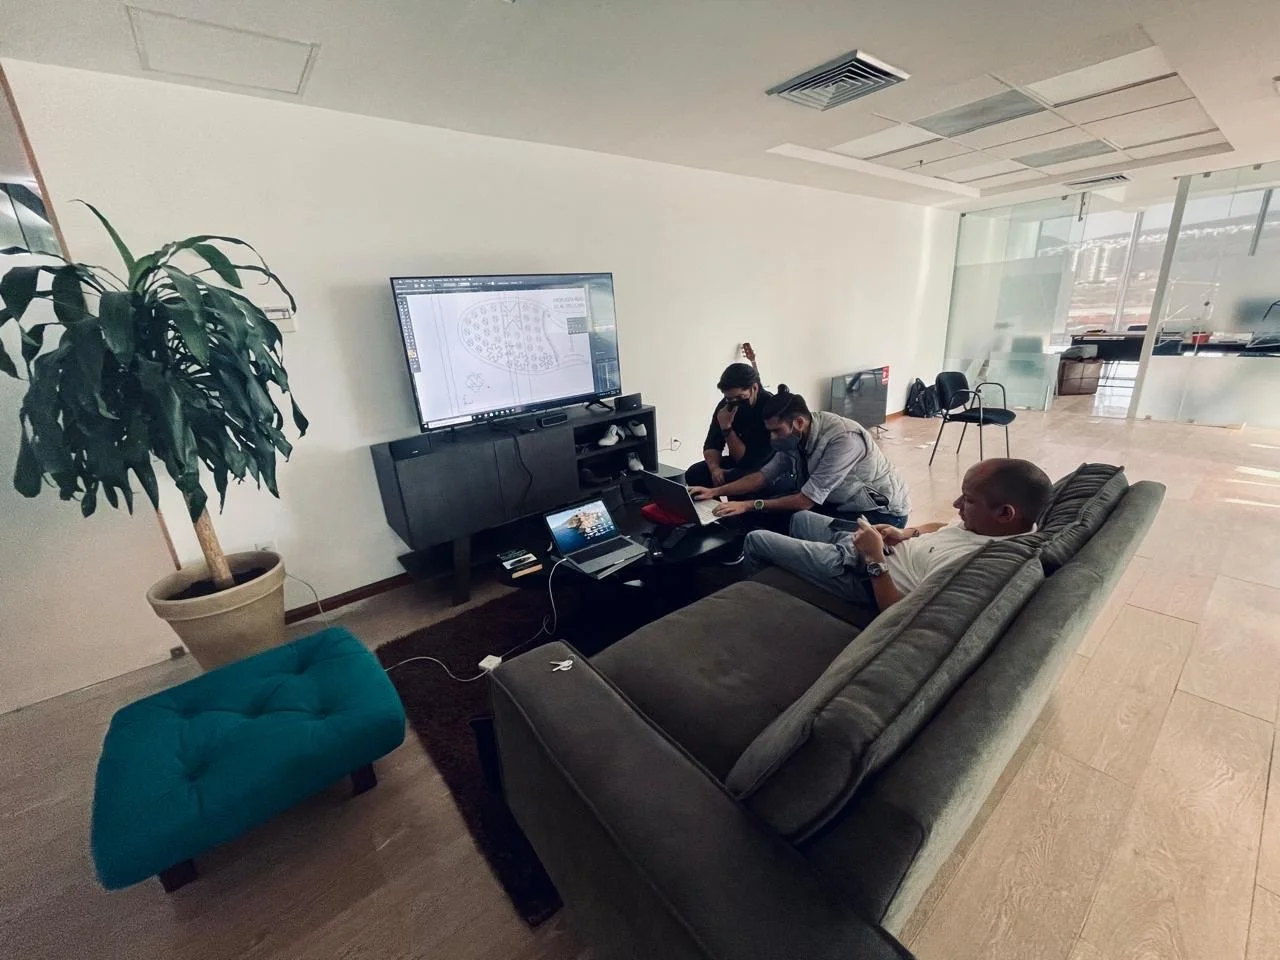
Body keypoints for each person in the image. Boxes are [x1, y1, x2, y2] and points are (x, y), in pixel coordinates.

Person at [742, 458, 1053, 612]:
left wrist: (875, 557)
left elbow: (898, 612)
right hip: (879, 546)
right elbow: (941, 527)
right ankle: (802, 566)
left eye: (968, 500)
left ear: (1005, 514)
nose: (957, 504)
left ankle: (759, 602)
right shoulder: (989, 526)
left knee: (756, 539)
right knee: (799, 518)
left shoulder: (974, 565)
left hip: (862, 574)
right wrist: (905, 532)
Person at [689, 386, 910, 526]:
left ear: (799, 423)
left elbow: (806, 501)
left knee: (797, 520)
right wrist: (714, 491)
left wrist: (748, 504)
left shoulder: (844, 440)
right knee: (769, 514)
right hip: (838, 502)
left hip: (879, 512)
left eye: (777, 431)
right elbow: (762, 476)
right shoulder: (796, 437)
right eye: (770, 431)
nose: (773, 438)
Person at [685, 363, 775, 488]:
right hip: (738, 464)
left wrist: (727, 428)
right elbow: (711, 444)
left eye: (740, 397)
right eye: (729, 398)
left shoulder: (770, 408)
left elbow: (746, 462)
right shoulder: (726, 405)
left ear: (754, 388)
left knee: (737, 478)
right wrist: (715, 469)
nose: (735, 403)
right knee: (694, 473)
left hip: (765, 468)